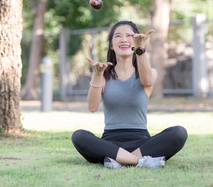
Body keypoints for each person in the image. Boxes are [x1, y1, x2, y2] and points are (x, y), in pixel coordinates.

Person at [71, 20, 187, 169]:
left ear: (136, 41)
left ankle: (118, 160)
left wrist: (140, 48)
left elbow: (146, 81)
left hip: (142, 143)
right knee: (79, 136)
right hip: (111, 143)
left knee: (178, 133)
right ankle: (140, 160)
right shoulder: (104, 75)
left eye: (129, 35)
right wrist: (97, 75)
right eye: (118, 36)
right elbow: (92, 107)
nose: (124, 39)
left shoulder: (149, 73)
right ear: (112, 45)